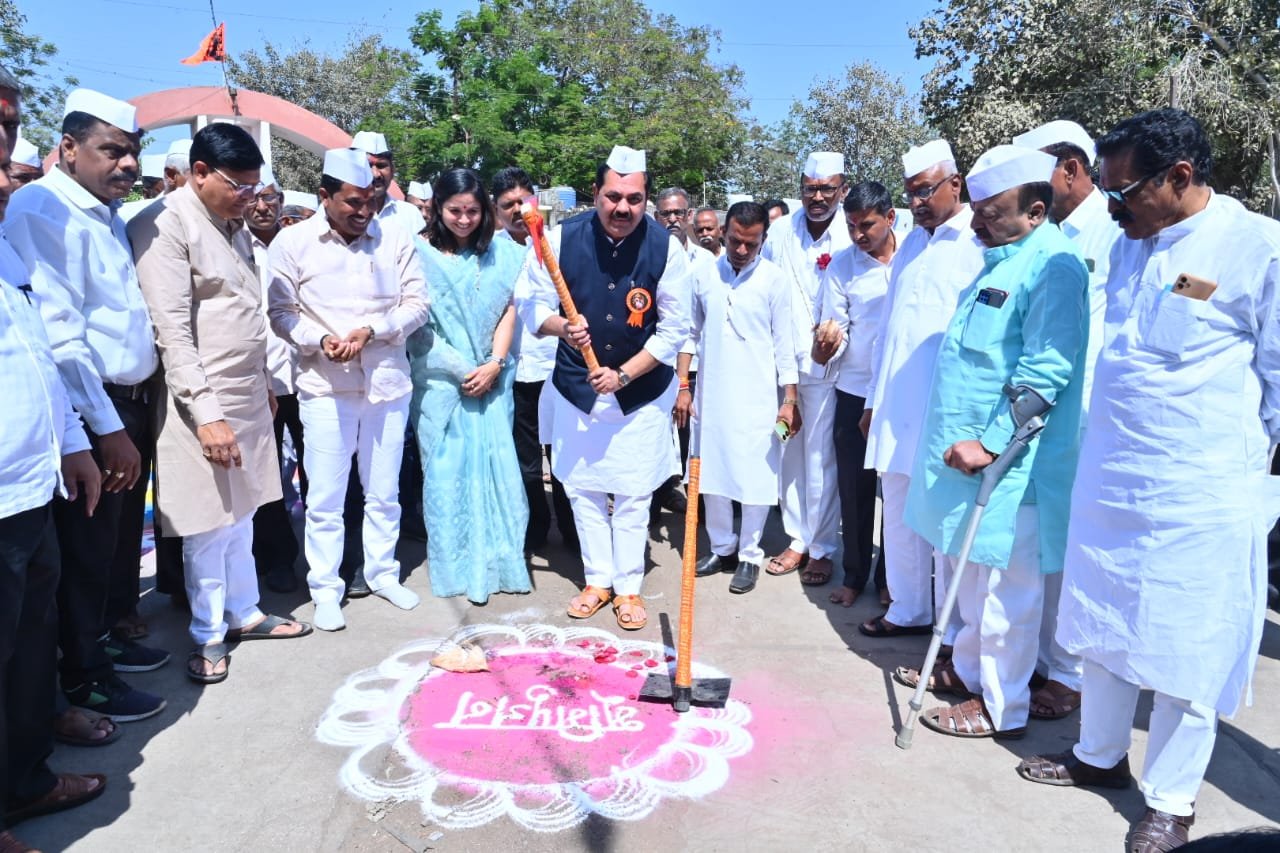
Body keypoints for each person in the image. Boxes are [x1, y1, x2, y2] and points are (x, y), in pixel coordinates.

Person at [1017, 109, 1280, 852]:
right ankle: (1098, 756)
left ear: (1181, 177)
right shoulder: (1134, 240)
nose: (1110, 208)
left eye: (1122, 194)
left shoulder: (1256, 246)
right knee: (1102, 626)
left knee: (1186, 647)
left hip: (1200, 491)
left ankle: (1170, 798)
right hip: (1114, 477)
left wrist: (1262, 483)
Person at [898, 145, 1088, 741]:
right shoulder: (1002, 258)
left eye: (992, 211)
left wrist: (991, 441)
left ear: (1035, 210)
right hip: (967, 462)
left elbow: (1046, 367)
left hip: (1013, 464)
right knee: (976, 584)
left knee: (1009, 593)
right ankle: (972, 674)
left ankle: (1002, 708)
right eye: (976, 210)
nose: (977, 223)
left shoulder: (1054, 265)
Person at [5, 88, 169, 721]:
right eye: (111, 150)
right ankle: (84, 678)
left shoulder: (101, 211)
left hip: (126, 403)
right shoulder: (42, 210)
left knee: (109, 548)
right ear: (68, 148)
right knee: (81, 553)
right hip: (94, 413)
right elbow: (62, 335)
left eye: (131, 152)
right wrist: (103, 429)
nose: (126, 164)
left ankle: (100, 648)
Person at [130, 123, 311, 683]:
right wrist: (207, 416)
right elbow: (173, 333)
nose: (250, 199)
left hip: (249, 394)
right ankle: (208, 634)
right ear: (200, 173)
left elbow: (242, 312)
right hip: (198, 402)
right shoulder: (162, 224)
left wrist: (261, 382)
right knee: (208, 524)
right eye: (239, 186)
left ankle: (245, 612)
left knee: (245, 514)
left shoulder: (232, 222)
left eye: (256, 188)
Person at [515, 145, 691, 631]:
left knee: (634, 493)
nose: (622, 208)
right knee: (582, 490)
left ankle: (628, 585)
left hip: (640, 390)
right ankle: (597, 580)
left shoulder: (666, 248)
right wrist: (559, 327)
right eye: (612, 196)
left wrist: (625, 374)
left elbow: (674, 329)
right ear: (595, 194)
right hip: (577, 387)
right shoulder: (558, 238)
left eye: (634, 199)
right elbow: (530, 304)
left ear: (646, 200)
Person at [0, 93, 109, 853]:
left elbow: (37, 350)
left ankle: (23, 781)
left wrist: (72, 440)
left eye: (5, 130)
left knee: (27, 645)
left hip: (30, 483)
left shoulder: (3, 241)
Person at [268, 147, 429, 632]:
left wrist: (373, 331)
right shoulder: (292, 242)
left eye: (371, 201)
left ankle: (382, 573)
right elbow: (280, 313)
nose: (363, 212)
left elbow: (418, 303)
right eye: (352, 202)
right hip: (324, 387)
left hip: (386, 383)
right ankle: (325, 587)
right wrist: (318, 340)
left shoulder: (396, 238)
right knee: (325, 497)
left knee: (384, 492)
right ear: (324, 196)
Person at [1012, 118, 1121, 721]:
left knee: (1080, 547)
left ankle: (1074, 673)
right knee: (1049, 540)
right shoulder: (1051, 235)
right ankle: (1050, 661)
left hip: (1092, 420)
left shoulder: (1113, 233)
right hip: (1056, 415)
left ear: (1071, 170)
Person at [859, 140, 985, 640]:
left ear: (956, 183)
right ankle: (908, 608)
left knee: (943, 520)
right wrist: (873, 399)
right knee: (900, 511)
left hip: (945, 409)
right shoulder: (912, 242)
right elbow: (890, 328)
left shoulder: (979, 240)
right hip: (896, 405)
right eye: (910, 193)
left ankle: (951, 633)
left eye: (926, 190)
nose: (917, 202)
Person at [409, 168, 529, 603]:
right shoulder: (416, 253)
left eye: (473, 211)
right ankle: (456, 567)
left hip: (492, 381)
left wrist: (494, 364)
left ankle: (499, 561)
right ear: (438, 209)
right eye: (455, 211)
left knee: (497, 470)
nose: (464, 220)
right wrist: (462, 369)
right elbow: (418, 326)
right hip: (441, 385)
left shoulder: (504, 253)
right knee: (444, 475)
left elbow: (508, 311)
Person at [678, 201, 799, 594]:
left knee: (754, 478)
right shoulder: (703, 275)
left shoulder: (775, 280)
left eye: (752, 243)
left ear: (763, 239)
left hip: (758, 396)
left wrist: (789, 400)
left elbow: (786, 343)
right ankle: (722, 547)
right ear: (723, 234)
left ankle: (749, 554)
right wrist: (683, 385)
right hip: (710, 393)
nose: (742, 250)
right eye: (735, 241)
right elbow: (689, 334)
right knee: (711, 473)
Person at [761, 151, 852, 585]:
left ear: (843, 190)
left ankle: (821, 547)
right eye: (810, 188)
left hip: (828, 370)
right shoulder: (779, 231)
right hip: (782, 366)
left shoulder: (849, 234)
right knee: (786, 453)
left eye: (827, 189)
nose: (817, 197)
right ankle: (796, 538)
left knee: (820, 458)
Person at [813, 182, 895, 607]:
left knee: (896, 492)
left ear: (891, 218)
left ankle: (892, 579)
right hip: (854, 390)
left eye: (867, 225)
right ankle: (855, 575)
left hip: (902, 391)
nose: (859, 235)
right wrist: (829, 343)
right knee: (855, 489)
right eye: (851, 226)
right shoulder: (842, 267)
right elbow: (837, 329)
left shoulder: (915, 254)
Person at [492, 166, 577, 551]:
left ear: (536, 202)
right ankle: (535, 526)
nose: (516, 210)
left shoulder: (554, 246)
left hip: (556, 366)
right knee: (524, 459)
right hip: (513, 371)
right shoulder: (489, 252)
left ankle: (574, 529)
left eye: (522, 201)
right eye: (507, 204)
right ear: (495, 210)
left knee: (563, 454)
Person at [246, 168, 303, 595]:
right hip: (256, 384)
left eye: (270, 197)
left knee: (320, 472)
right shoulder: (231, 245)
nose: (262, 206)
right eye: (254, 197)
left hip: (306, 381)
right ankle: (276, 560)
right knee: (265, 478)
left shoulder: (298, 244)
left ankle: (327, 558)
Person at [350, 131, 428, 239]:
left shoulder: (410, 215)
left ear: (392, 170)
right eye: (367, 165)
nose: (375, 174)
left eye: (381, 166)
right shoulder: (335, 212)